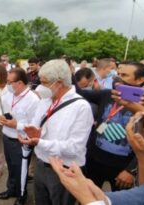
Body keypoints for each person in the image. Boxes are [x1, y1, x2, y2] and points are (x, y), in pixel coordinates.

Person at [18, 59, 94, 205]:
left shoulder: (81, 107)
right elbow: (36, 125)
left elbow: (74, 148)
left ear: (59, 83)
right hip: (41, 164)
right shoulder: (45, 101)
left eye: (45, 82)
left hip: (64, 170)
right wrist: (31, 134)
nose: (40, 87)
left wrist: (40, 142)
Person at [49, 110, 144, 205]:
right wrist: (98, 197)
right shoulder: (107, 95)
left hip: (120, 167)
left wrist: (87, 198)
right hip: (96, 162)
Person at [76, 62, 144, 192]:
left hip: (122, 170)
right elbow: (79, 92)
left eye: (125, 75)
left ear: (140, 80)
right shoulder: (107, 94)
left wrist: (131, 171)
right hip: (94, 162)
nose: (118, 78)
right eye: (118, 74)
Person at [0, 68, 40, 205]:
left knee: (21, 170)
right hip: (6, 136)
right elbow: (1, 108)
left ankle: (22, 196)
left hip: (21, 141)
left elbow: (35, 124)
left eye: (10, 82)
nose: (7, 84)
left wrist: (17, 125)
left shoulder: (33, 100)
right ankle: (11, 189)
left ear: (20, 83)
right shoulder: (10, 93)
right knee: (10, 166)